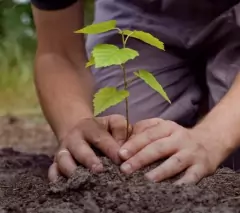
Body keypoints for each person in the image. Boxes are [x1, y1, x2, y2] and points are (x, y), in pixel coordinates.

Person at [30, 0, 240, 184]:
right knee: (127, 143)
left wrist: (212, 137)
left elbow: (217, 140)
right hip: (138, 10)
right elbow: (58, 52)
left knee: (231, 155)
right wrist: (75, 127)